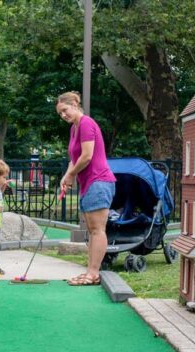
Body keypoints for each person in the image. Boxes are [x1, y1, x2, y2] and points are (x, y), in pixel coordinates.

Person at [56, 91, 116, 286]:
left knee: (98, 230)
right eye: (60, 113)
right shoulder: (74, 128)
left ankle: (93, 273)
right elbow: (75, 158)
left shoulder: (86, 123)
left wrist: (72, 174)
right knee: (91, 230)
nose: (63, 115)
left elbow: (87, 156)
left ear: (74, 104)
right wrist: (66, 177)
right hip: (90, 183)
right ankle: (90, 271)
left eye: (65, 110)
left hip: (99, 181)